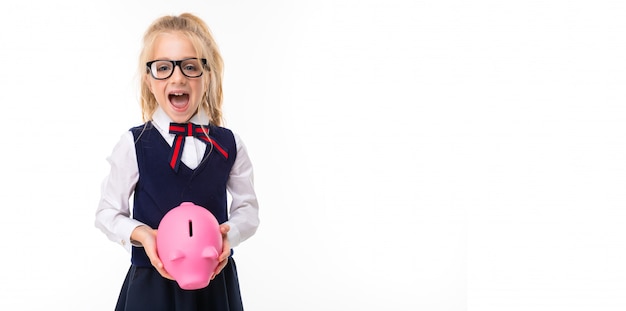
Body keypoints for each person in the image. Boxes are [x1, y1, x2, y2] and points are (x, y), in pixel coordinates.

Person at [95, 13, 259, 311]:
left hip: (213, 288)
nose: (178, 77)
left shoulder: (228, 144)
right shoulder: (134, 144)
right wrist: (142, 234)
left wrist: (228, 236)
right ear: (149, 79)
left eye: (190, 66)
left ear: (207, 76)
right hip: (150, 288)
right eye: (163, 67)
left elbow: (248, 210)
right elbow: (107, 212)